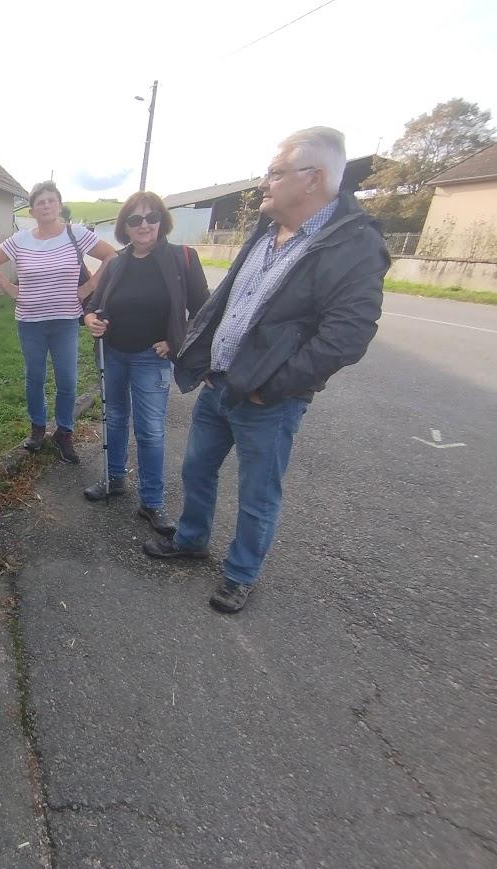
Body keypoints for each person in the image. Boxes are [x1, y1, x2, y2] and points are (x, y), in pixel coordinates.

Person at [143, 127, 388, 614]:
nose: (264, 183)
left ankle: (240, 574)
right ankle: (191, 540)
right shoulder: (267, 227)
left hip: (267, 399)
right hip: (219, 383)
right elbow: (230, 300)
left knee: (258, 492)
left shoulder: (354, 245)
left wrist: (269, 389)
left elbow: (347, 337)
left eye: (275, 173)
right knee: (196, 470)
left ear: (313, 178)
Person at [82, 191, 209, 535]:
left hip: (151, 359)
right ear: (125, 225)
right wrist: (91, 318)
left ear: (162, 221)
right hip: (113, 355)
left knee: (150, 431)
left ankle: (152, 502)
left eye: (151, 217)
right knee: (116, 420)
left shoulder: (182, 258)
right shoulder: (117, 262)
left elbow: (203, 312)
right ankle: (114, 479)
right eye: (135, 219)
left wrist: (175, 342)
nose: (144, 225)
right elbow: (92, 304)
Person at [0, 181, 117, 463]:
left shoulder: (76, 234)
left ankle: (64, 433)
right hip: (30, 321)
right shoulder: (20, 240)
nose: (45, 205)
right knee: (35, 378)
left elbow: (111, 256)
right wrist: (10, 289)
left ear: (59, 204)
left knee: (67, 379)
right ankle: (38, 428)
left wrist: (88, 287)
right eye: (40, 202)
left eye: (50, 200)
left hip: (65, 320)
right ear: (32, 210)